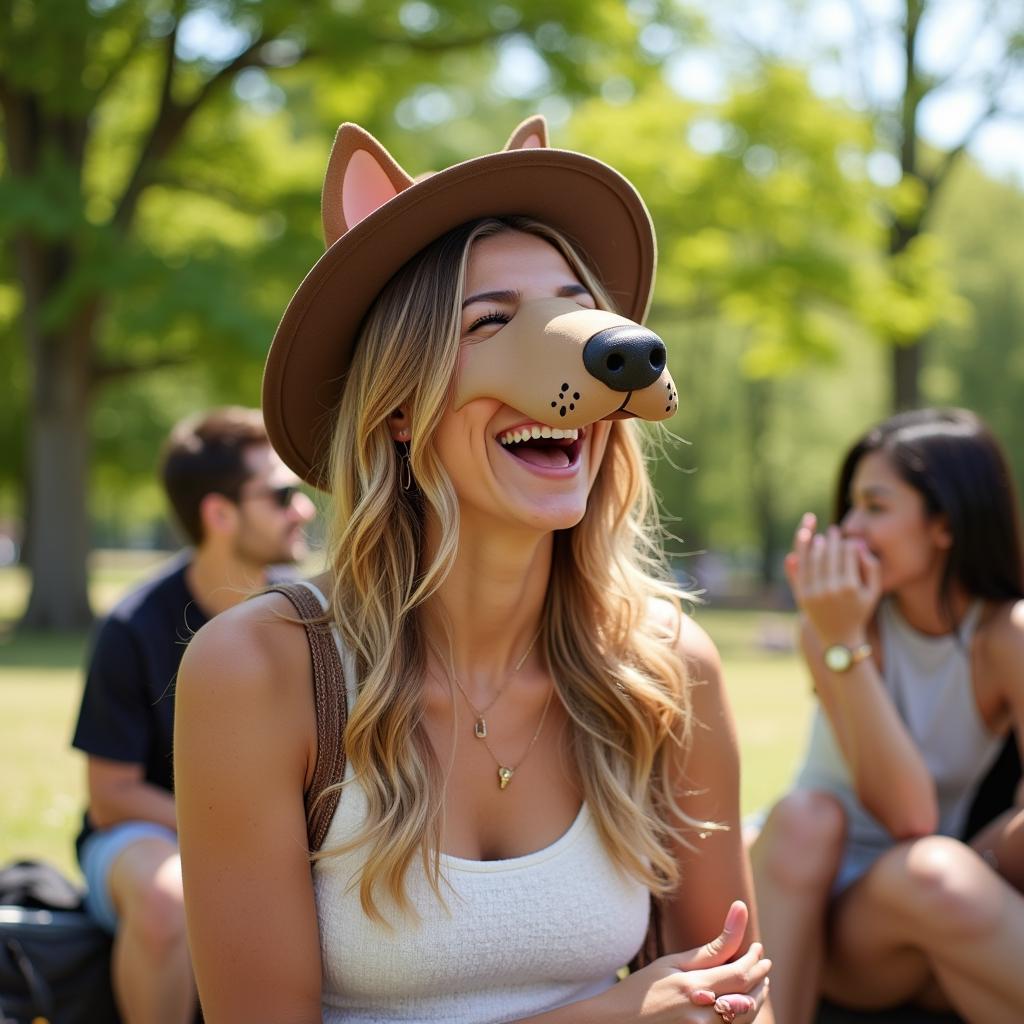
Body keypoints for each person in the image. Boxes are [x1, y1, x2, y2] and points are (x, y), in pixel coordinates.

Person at [174, 116, 774, 1023]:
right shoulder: (259, 673)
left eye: (579, 311)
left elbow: (731, 996)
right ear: (400, 407)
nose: (576, 350)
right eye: (490, 321)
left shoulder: (666, 666)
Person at [751, 408, 1024, 1024]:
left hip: (942, 899)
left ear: (944, 525)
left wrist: (974, 861)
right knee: (808, 818)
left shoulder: (1007, 639)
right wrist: (844, 641)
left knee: (938, 874)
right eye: (850, 506)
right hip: (837, 911)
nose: (848, 528)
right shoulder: (835, 625)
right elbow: (909, 815)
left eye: (875, 507)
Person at [71, 406, 316, 1024]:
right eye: (283, 495)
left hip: (286, 836)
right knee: (165, 905)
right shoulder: (131, 628)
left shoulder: (310, 617)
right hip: (148, 836)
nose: (304, 509)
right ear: (219, 513)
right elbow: (112, 797)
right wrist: (235, 833)